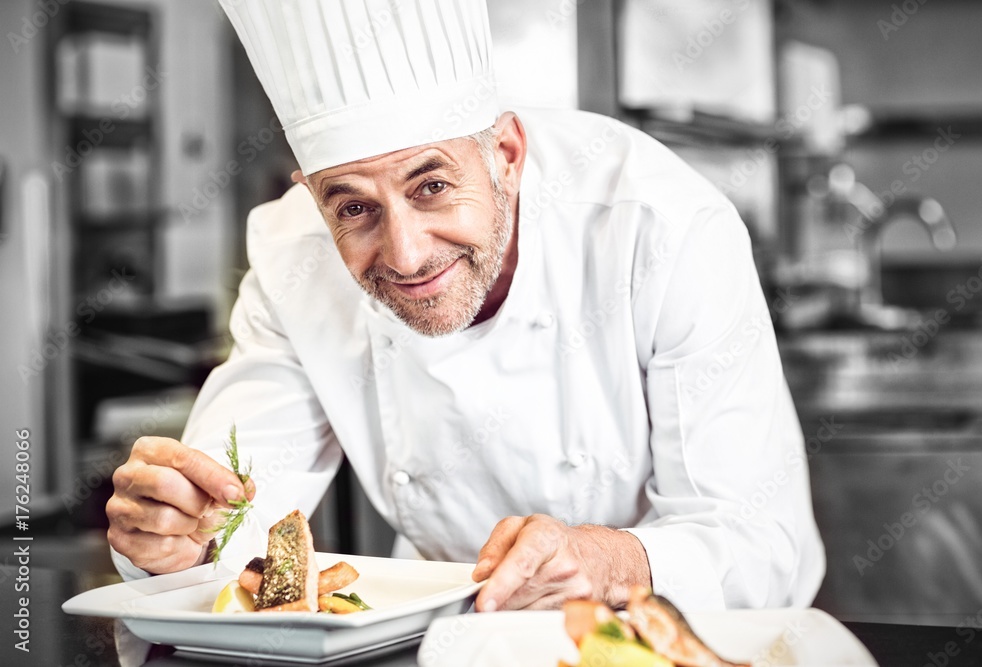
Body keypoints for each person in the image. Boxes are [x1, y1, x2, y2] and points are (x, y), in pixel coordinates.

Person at [107, 0, 825, 612]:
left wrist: (613, 561)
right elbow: (223, 521)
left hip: (657, 637)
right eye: (354, 206)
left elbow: (763, 544)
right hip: (439, 633)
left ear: (507, 153)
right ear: (310, 191)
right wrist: (169, 534)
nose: (407, 254)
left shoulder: (661, 227)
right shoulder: (293, 253)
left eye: (431, 187)